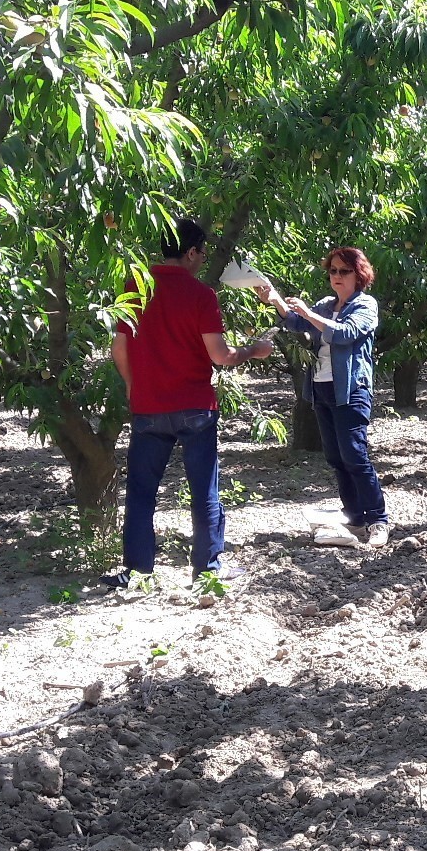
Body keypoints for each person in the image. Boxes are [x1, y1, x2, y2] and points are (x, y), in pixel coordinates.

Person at [103, 218, 272, 588]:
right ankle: (208, 569)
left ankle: (136, 571)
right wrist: (254, 350)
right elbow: (221, 356)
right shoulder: (201, 296)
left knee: (142, 491)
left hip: (149, 405)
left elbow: (118, 347)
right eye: (202, 253)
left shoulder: (134, 289)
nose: (202, 260)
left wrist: (133, 385)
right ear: (191, 252)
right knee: (203, 490)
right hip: (195, 405)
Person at [255, 247, 390, 547]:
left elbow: (343, 334)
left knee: (355, 455)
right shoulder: (326, 305)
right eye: (333, 271)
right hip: (321, 388)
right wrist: (276, 300)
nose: (337, 276)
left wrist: (309, 313)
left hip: (351, 389)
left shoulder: (366, 305)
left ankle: (378, 519)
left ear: (359, 274)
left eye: (344, 271)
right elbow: (296, 323)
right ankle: (355, 516)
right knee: (335, 456)